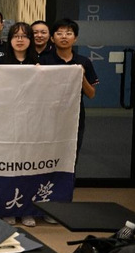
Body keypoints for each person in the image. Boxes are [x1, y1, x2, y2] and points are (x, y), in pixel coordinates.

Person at [40, 18, 98, 157]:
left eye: (69, 33)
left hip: (75, 116)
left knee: (71, 155)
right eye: (59, 33)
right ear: (52, 38)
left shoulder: (84, 61)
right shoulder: (44, 60)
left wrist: (81, 76)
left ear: (75, 38)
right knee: (47, 154)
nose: (64, 37)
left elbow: (91, 94)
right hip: (49, 116)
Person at [0, 21, 38, 227]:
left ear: (30, 40)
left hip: (31, 123)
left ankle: (27, 210)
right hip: (6, 124)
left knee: (28, 168)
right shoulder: (1, 62)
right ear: (10, 40)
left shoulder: (40, 63)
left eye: (24, 36)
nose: (20, 40)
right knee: (8, 168)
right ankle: (9, 209)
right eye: (16, 36)